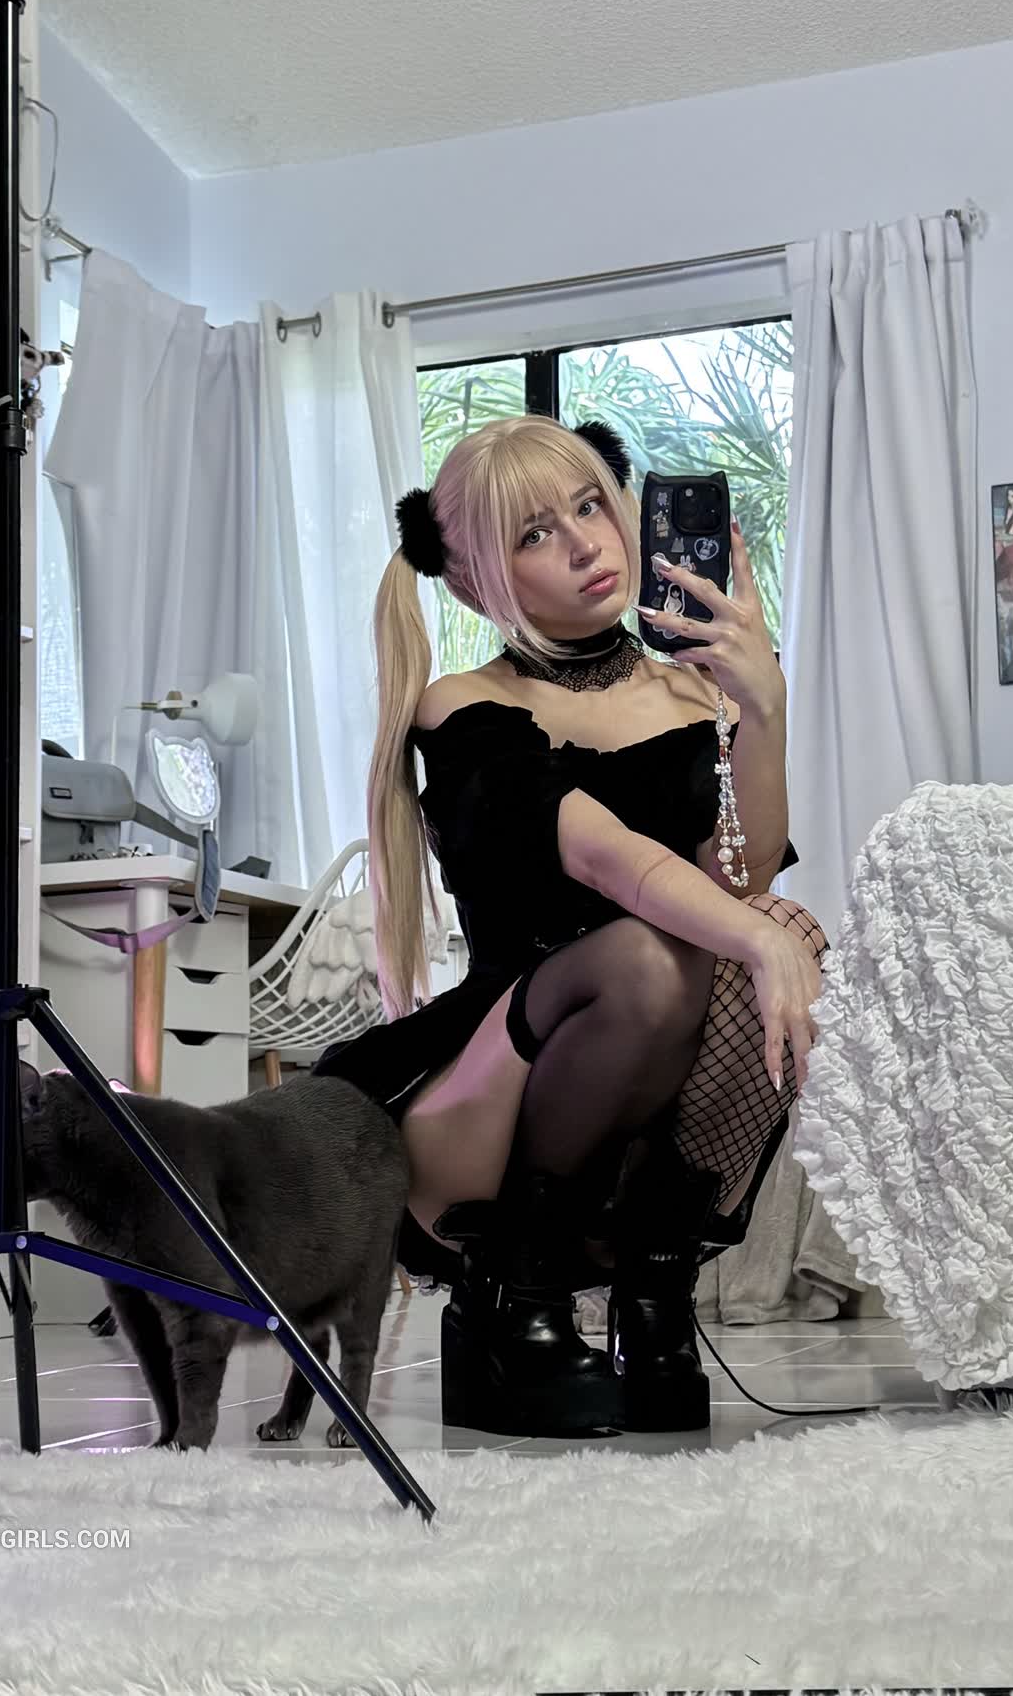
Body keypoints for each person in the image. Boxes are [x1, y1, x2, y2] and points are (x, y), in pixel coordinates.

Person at [314, 415, 826, 1440]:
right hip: (490, 1104)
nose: (587, 543)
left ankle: (654, 1292)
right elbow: (606, 860)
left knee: (778, 923)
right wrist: (754, 935)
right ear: (473, 584)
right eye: (535, 534)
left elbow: (740, 877)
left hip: (649, 1110)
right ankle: (514, 1300)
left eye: (591, 505)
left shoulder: (691, 691)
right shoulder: (462, 707)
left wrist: (760, 709)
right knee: (659, 958)